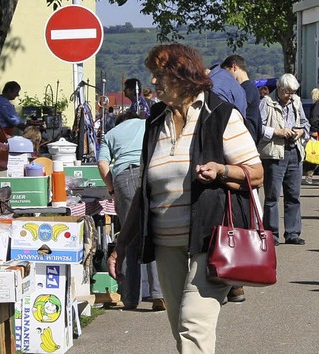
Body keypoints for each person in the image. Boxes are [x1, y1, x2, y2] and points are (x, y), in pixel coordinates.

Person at [107, 43, 263, 353]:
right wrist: (122, 244)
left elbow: (256, 173)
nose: (153, 82)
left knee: (193, 324)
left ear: (182, 75)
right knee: (182, 328)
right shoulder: (155, 121)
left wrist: (221, 170)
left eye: (158, 74)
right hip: (166, 244)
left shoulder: (220, 114)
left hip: (210, 241)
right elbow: (145, 191)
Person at [97, 109, 165, 311]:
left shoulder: (111, 134)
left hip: (124, 179)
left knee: (129, 238)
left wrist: (112, 189)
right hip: (150, 173)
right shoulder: (147, 124)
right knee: (153, 232)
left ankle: (130, 297)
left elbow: (102, 164)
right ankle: (159, 294)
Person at [220, 54, 263, 303]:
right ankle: (235, 281)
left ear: (233, 67)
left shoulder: (243, 90)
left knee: (232, 223)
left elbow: (248, 129)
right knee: (238, 222)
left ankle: (233, 280)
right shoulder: (248, 90)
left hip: (237, 161)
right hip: (245, 159)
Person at [260, 73, 310, 246]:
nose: (291, 96)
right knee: (272, 196)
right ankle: (271, 234)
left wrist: (301, 132)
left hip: (294, 152)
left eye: (293, 92)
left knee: (293, 195)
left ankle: (293, 233)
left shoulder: (296, 101)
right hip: (274, 154)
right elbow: (258, 127)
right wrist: (277, 132)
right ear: (280, 89)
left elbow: (305, 123)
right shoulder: (266, 102)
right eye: (287, 92)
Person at [221, 54, 262, 144]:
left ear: (234, 67)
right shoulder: (247, 88)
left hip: (245, 138)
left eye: (226, 72)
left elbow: (235, 111)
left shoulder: (247, 89)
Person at [302, 87, 319, 184]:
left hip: (315, 132)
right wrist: (314, 129)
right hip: (316, 133)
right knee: (314, 153)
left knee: (315, 153)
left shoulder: (316, 105)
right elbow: (315, 119)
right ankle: (308, 171)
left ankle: (308, 171)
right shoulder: (317, 105)